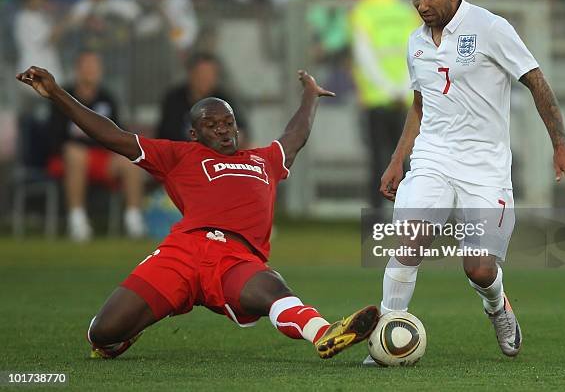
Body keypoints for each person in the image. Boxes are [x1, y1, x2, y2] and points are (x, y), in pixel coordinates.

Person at [16, 66, 379, 360]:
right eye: (212, 124)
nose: (223, 129)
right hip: (183, 252)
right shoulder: (178, 156)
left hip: (236, 258)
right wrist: (59, 95)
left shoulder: (263, 159)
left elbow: (295, 135)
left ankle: (324, 333)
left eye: (228, 122)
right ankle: (126, 333)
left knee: (272, 288)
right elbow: (112, 136)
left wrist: (310, 96)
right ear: (194, 133)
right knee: (102, 333)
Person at [364, 0, 565, 365]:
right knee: (409, 242)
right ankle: (388, 335)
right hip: (433, 156)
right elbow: (420, 103)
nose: (422, 6)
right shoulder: (416, 41)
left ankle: (498, 306)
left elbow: (536, 82)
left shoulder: (491, 28)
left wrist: (560, 145)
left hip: (485, 167)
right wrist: (399, 159)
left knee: (479, 269)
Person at [46, 51, 145, 242]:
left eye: (95, 66)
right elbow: (55, 137)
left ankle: (134, 220)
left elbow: (117, 134)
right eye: (87, 66)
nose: (91, 70)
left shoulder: (107, 98)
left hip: (101, 157)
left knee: (131, 162)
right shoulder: (62, 96)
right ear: (78, 69)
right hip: (68, 159)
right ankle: (77, 220)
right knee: (75, 153)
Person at [349, 0, 422, 210]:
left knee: (380, 159)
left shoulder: (362, 12)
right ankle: (414, 213)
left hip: (377, 98)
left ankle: (376, 215)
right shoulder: (406, 12)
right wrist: (402, 88)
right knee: (409, 158)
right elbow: (416, 53)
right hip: (408, 99)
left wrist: (387, 89)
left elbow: (365, 57)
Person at [156, 53, 249, 144]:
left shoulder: (224, 100)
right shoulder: (174, 99)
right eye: (201, 73)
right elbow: (167, 134)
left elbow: (240, 131)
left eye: (210, 74)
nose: (205, 78)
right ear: (191, 74)